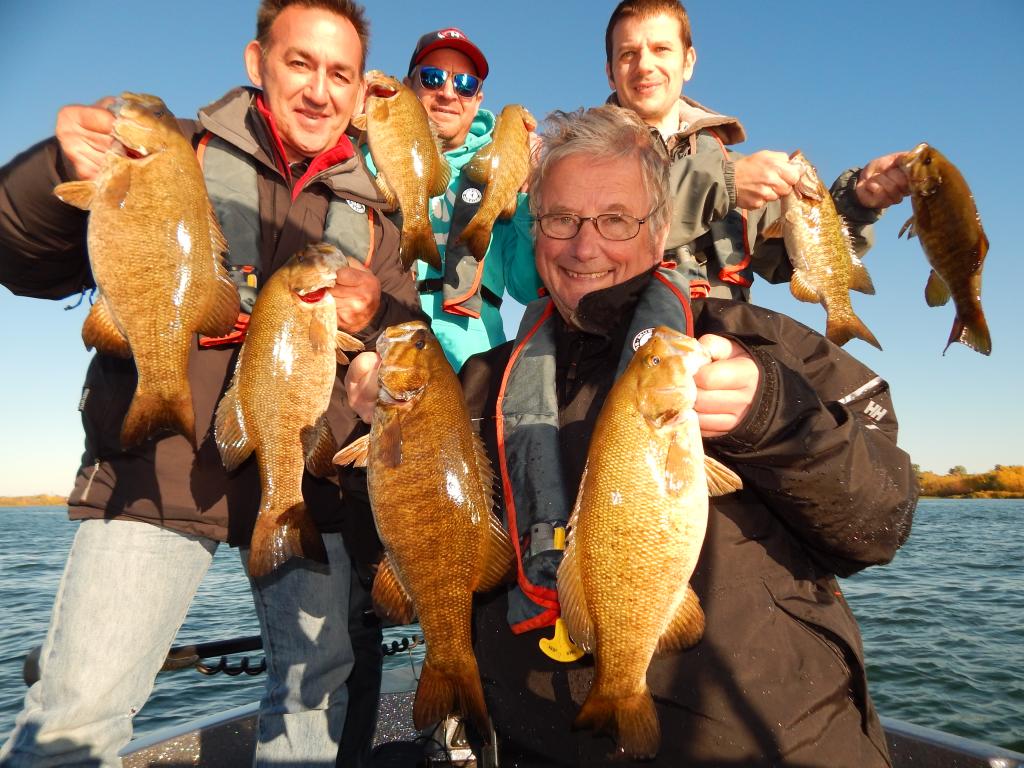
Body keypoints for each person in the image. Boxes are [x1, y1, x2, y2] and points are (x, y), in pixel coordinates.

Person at [350, 104, 918, 766]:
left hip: (771, 745)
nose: (585, 246)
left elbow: (880, 521)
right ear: (535, 231)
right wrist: (375, 432)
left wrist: (772, 416)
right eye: (561, 219)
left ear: (659, 230)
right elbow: (400, 547)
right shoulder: (475, 385)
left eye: (616, 219)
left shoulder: (758, 345)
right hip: (539, 746)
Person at [0, 1, 424, 766]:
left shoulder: (378, 219)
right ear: (257, 63)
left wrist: (380, 332)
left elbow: (406, 339)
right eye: (300, 63)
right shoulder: (170, 153)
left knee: (312, 701)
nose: (319, 90)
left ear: (362, 91)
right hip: (158, 470)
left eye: (340, 73)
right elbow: (24, 261)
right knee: (78, 713)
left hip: (304, 487)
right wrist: (55, 171)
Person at [604, 0, 912, 300]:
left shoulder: (739, 173)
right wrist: (723, 184)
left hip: (724, 332)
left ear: (688, 62)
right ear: (610, 73)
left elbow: (792, 259)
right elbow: (601, 233)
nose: (645, 66)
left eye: (661, 49)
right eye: (628, 53)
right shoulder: (583, 158)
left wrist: (858, 200)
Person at [360, 26, 542, 373]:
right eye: (432, 78)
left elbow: (527, 288)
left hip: (476, 364)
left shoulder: (501, 169)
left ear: (478, 100)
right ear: (409, 85)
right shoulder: (369, 157)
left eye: (465, 84)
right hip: (382, 349)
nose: (447, 92)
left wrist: (529, 200)